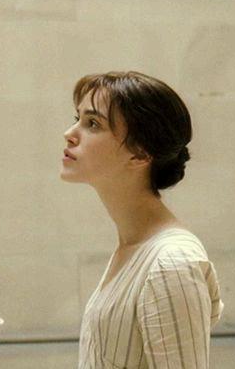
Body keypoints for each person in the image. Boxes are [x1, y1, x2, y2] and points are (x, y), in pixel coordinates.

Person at [61, 71, 223, 369]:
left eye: (93, 123)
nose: (69, 133)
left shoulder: (172, 263)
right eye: (77, 118)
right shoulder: (133, 247)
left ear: (140, 153)